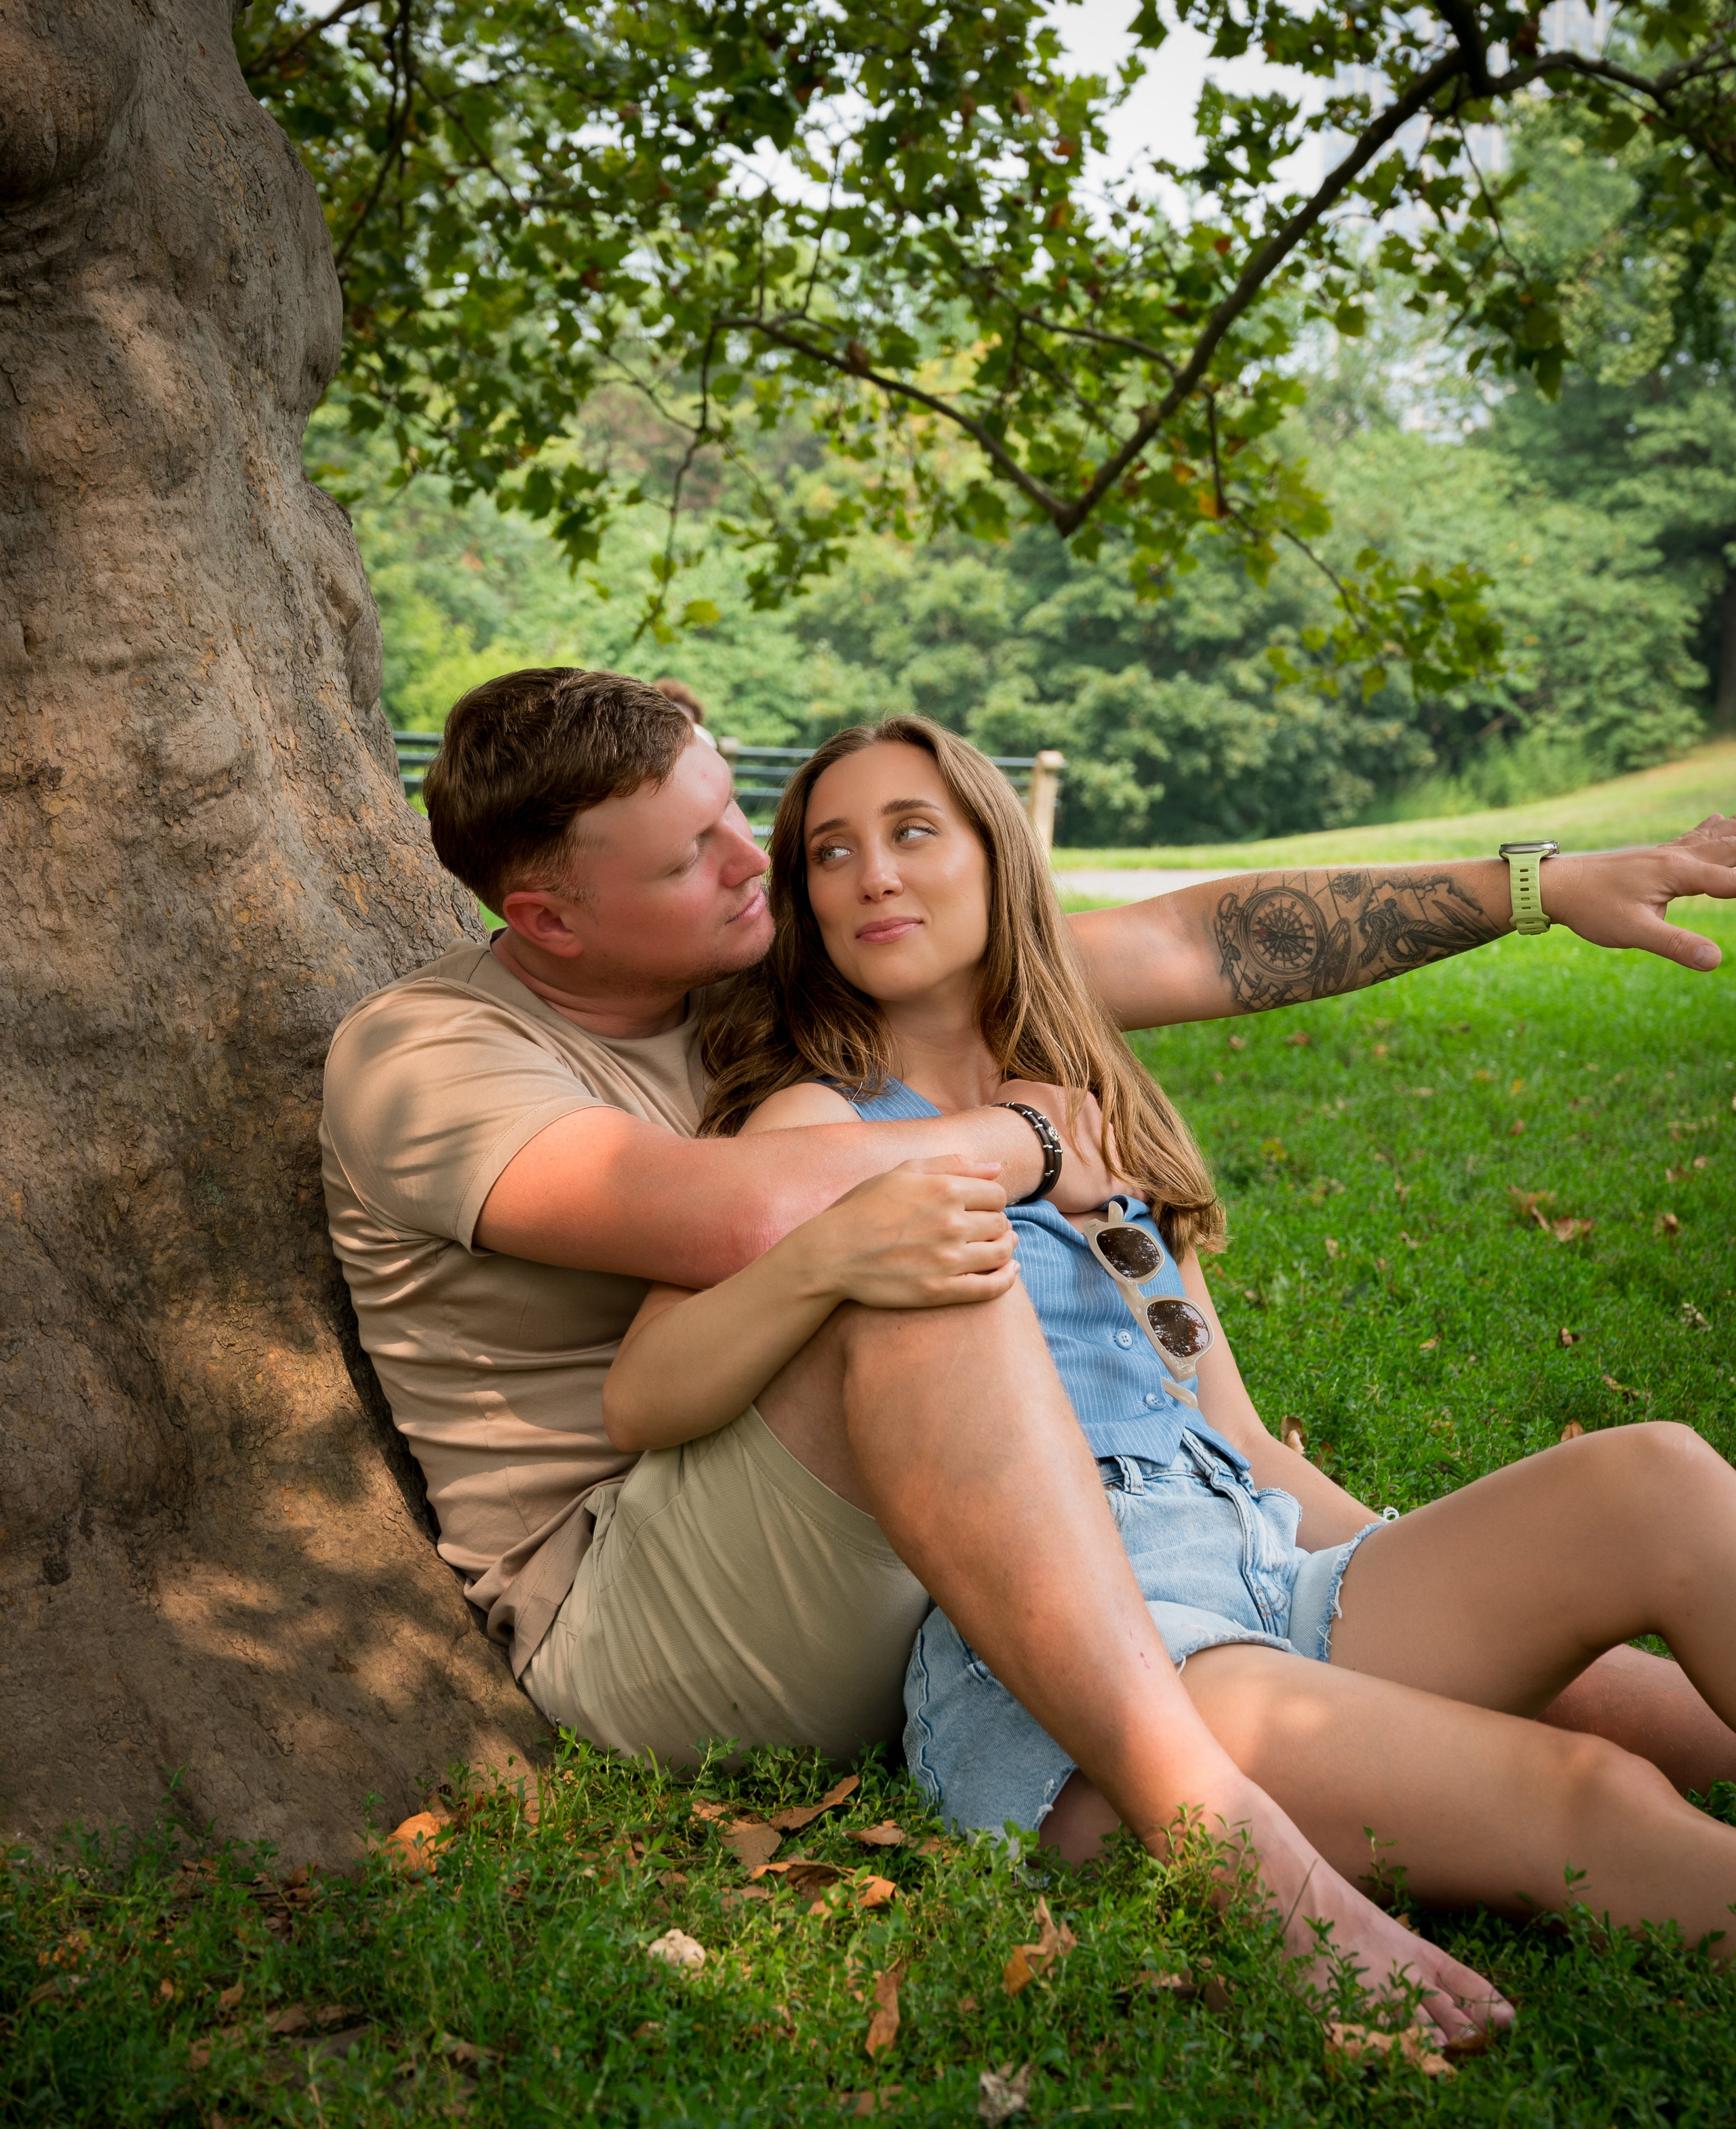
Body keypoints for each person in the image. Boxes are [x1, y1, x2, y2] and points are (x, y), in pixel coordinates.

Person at [320, 668, 1736, 2033]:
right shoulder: (432, 1057)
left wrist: (1534, 887)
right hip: (641, 1592)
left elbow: (1196, 943)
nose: (758, 868)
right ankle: (1211, 1820)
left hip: (1055, 1543)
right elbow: (741, 1224)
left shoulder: (755, 985)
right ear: (549, 918)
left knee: (1634, 1595)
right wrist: (1033, 1142)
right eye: (704, 856)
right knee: (923, 1245)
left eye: (746, 826)